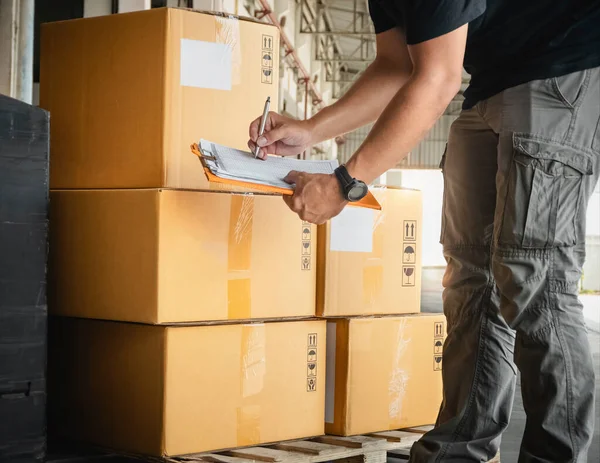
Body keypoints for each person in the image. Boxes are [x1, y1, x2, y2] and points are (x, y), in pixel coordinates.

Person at [249, 1, 600, 461]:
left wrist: (345, 184)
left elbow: (436, 80)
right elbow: (397, 66)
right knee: (471, 283)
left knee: (534, 277)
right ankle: (458, 449)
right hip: (492, 84)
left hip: (566, 69)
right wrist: (311, 129)